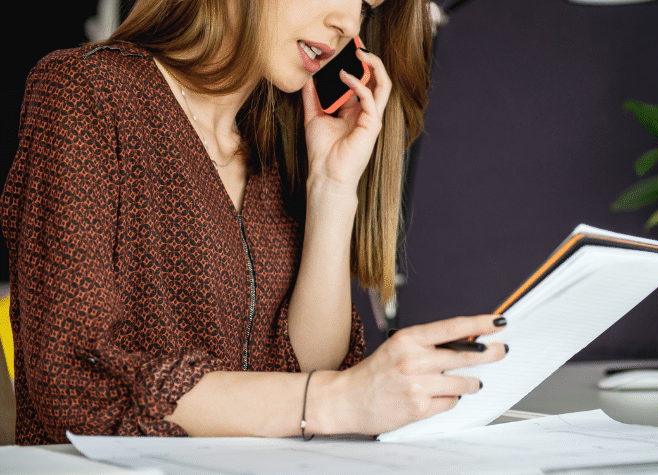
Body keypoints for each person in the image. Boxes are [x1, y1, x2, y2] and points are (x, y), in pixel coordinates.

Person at [2, 0, 506, 445]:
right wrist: (340, 398)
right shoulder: (83, 91)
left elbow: (312, 373)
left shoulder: (274, 147)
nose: (347, 21)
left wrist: (331, 188)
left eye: (366, 7)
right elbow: (73, 378)